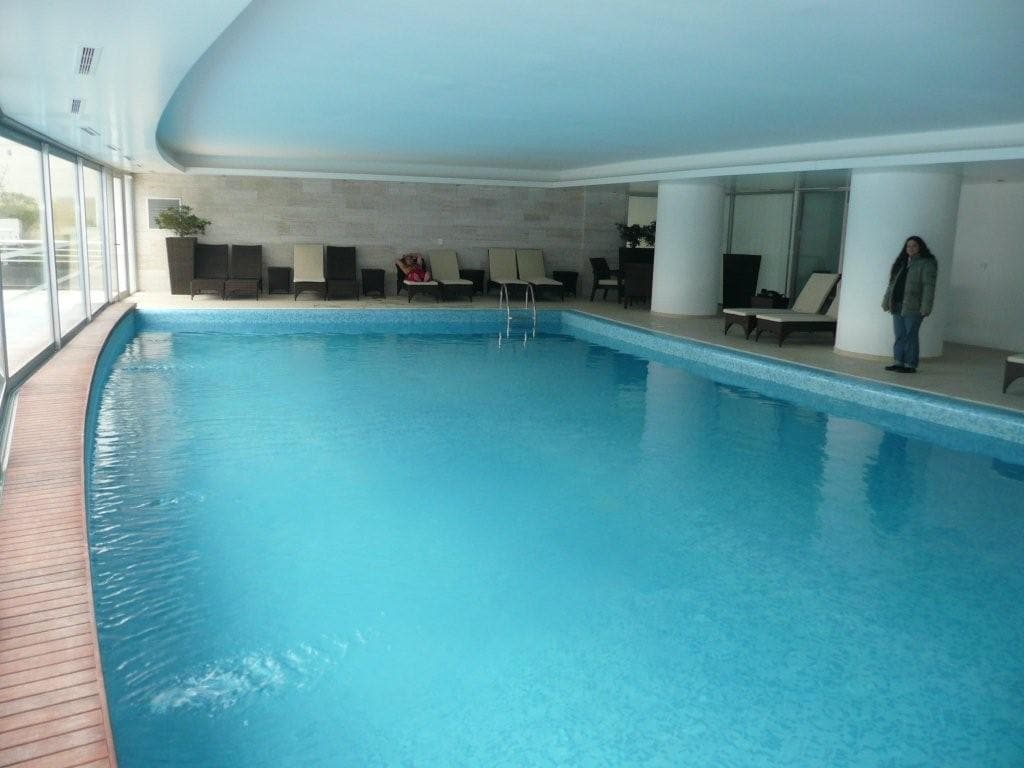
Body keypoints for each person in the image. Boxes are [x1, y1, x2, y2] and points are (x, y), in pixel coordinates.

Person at [881, 235, 937, 374]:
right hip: (897, 305)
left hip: (914, 306)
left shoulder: (927, 264)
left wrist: (926, 307)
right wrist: (886, 301)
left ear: (920, 247)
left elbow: (929, 287)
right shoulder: (902, 263)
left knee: (910, 335)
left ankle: (910, 364)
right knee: (900, 335)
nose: (910, 248)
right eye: (908, 246)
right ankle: (898, 362)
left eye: (914, 246)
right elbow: (892, 285)